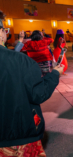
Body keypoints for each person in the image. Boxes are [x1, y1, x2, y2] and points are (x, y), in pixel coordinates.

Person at [0, 11, 64, 157]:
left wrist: (24, 40)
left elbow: (20, 48)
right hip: (19, 134)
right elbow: (38, 93)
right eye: (5, 30)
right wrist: (55, 74)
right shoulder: (21, 60)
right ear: (1, 33)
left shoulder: (28, 48)